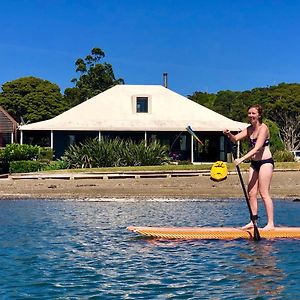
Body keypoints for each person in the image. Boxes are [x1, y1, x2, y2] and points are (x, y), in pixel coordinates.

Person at [223, 104, 275, 230]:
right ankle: (253, 222)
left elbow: (257, 148)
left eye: (253, 113)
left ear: (259, 115)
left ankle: (270, 224)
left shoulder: (263, 129)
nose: (251, 115)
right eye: (249, 113)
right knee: (251, 193)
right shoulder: (249, 128)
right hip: (254, 163)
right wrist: (229, 134)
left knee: (263, 193)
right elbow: (235, 139)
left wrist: (241, 159)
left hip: (266, 162)